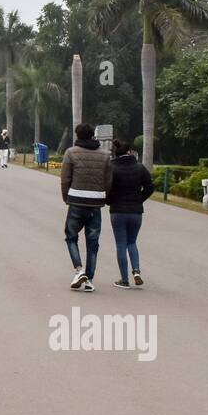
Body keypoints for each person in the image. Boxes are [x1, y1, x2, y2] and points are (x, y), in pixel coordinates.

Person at [60, 122, 112, 292]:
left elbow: (65, 178)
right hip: (95, 202)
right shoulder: (105, 155)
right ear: (92, 135)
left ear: (77, 135)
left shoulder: (71, 153)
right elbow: (108, 181)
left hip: (76, 200)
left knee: (71, 237)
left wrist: (66, 197)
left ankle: (79, 269)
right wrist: (104, 196)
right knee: (93, 242)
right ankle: (89, 280)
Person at [108, 138, 154, 288]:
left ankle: (124, 280)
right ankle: (136, 270)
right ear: (129, 152)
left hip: (118, 211)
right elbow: (150, 187)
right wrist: (139, 199)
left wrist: (110, 200)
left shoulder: (112, 168)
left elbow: (106, 187)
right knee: (132, 242)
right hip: (136, 211)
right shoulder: (139, 168)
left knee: (121, 244)